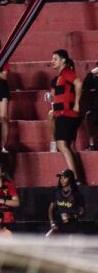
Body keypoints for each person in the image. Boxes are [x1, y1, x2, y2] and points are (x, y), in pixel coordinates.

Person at [50, 48, 82, 177]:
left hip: (67, 114)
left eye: (55, 59)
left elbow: (79, 84)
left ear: (63, 60)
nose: (52, 61)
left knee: (62, 145)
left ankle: (73, 178)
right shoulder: (59, 77)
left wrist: (77, 104)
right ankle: (77, 177)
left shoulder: (67, 72)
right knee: (68, 146)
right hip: (62, 114)